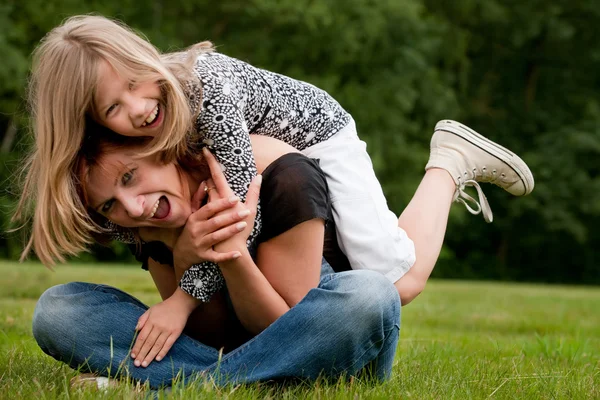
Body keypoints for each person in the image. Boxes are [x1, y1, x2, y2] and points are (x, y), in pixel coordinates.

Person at [14, 15, 535, 305]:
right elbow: (141, 231)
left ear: (143, 58)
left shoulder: (205, 91)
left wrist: (185, 298)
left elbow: (245, 210)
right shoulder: (116, 165)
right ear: (95, 122)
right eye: (113, 108)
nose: (139, 108)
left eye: (134, 83)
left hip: (316, 135)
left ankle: (448, 162)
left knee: (395, 277)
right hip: (268, 152)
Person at [32, 132, 401, 388]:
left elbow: (287, 331)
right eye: (109, 205)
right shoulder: (147, 225)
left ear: (161, 149)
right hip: (262, 356)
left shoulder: (284, 177)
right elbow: (212, 339)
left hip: (328, 341)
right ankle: (261, 386)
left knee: (372, 296)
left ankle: (183, 387)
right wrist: (185, 259)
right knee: (58, 310)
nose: (133, 206)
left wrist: (233, 254)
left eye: (130, 177)